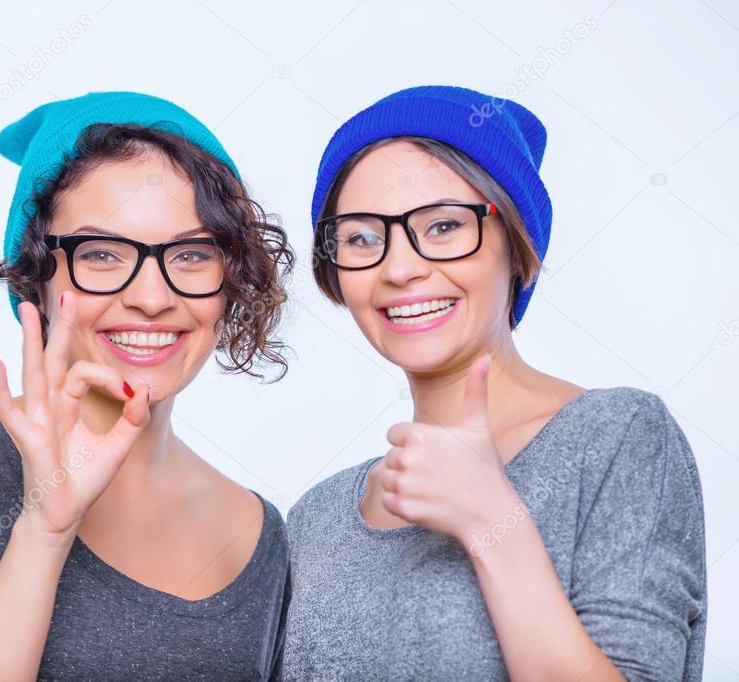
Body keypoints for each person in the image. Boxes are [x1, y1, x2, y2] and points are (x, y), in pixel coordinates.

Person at [0, 91, 294, 680]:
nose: (153, 298)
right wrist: (45, 529)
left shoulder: (259, 531)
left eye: (191, 254)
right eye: (102, 254)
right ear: (36, 277)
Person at [279, 85, 707, 680]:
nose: (399, 267)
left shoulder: (614, 440)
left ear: (516, 247)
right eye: (361, 238)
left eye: (445, 226)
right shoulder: (314, 522)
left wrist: (490, 520)